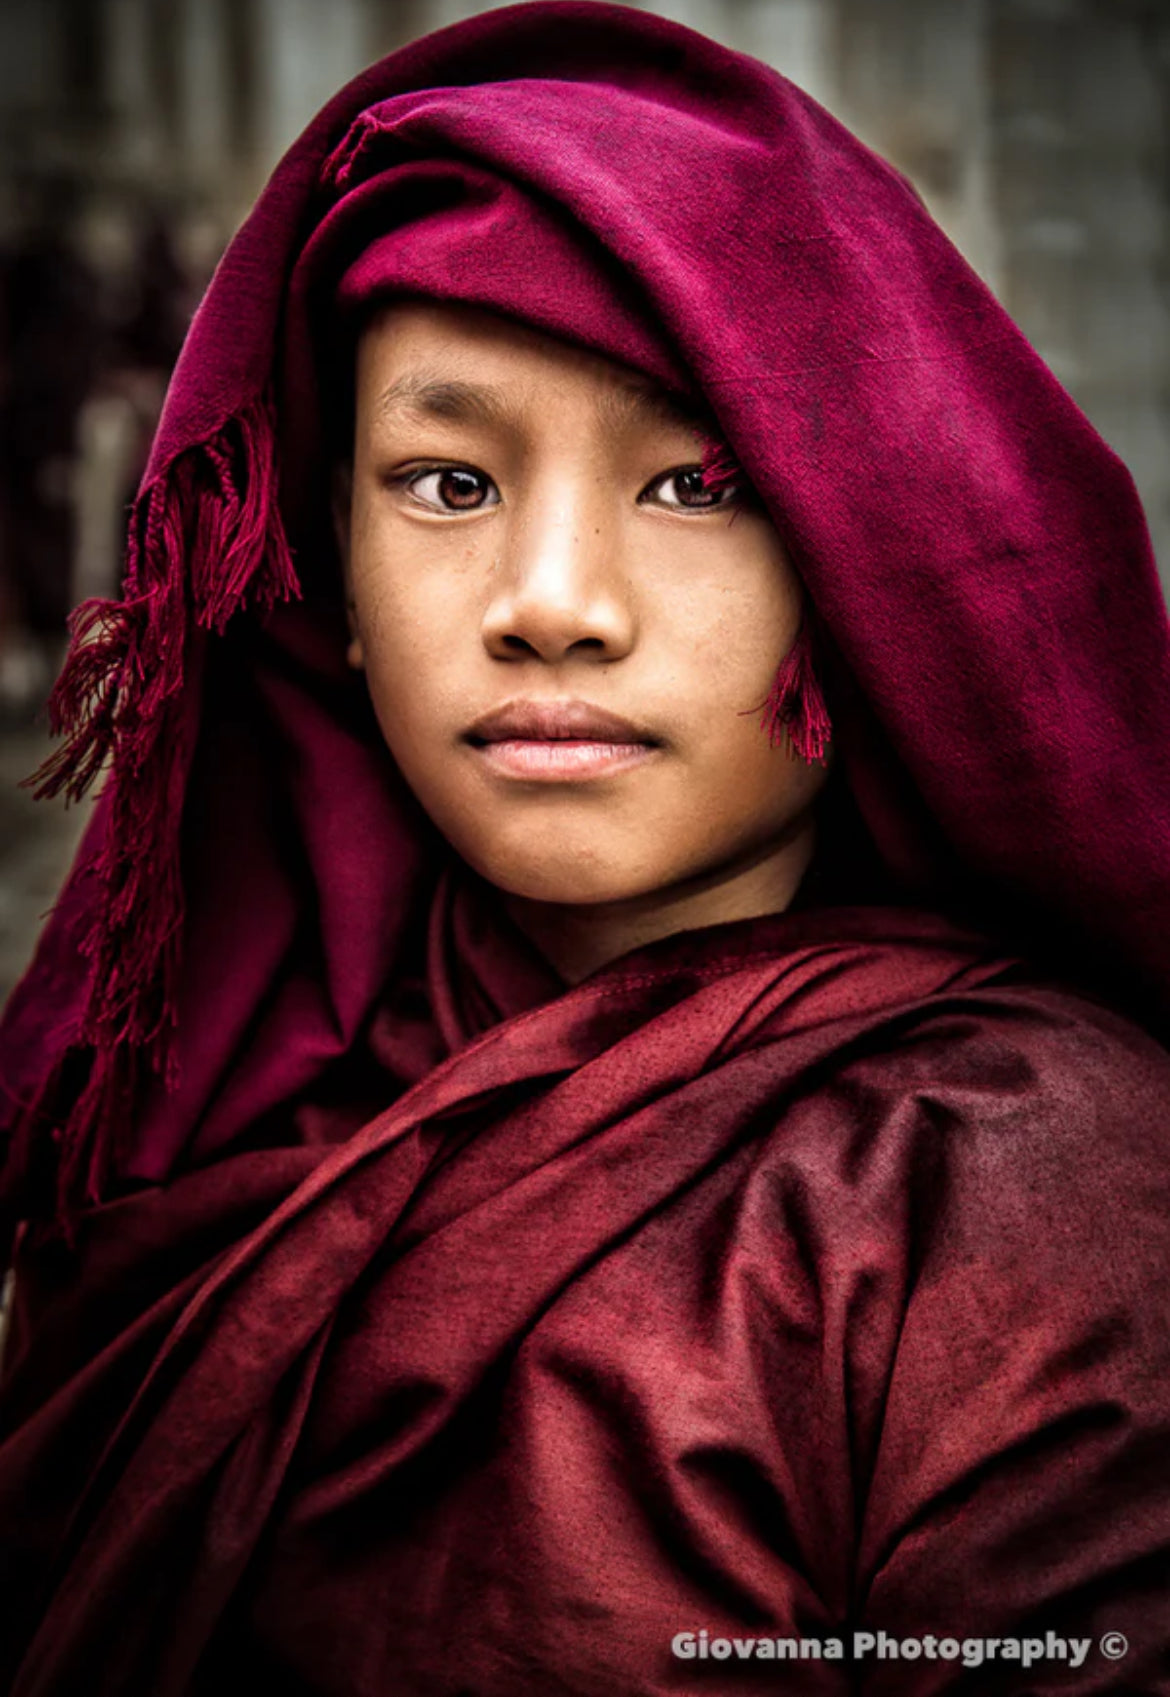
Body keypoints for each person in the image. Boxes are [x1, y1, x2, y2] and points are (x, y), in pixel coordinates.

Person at [1, 4, 1169, 1694]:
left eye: (696, 485)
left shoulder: (1020, 1185)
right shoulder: (200, 1114)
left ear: (866, 561)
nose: (551, 604)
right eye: (447, 483)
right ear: (327, 571)